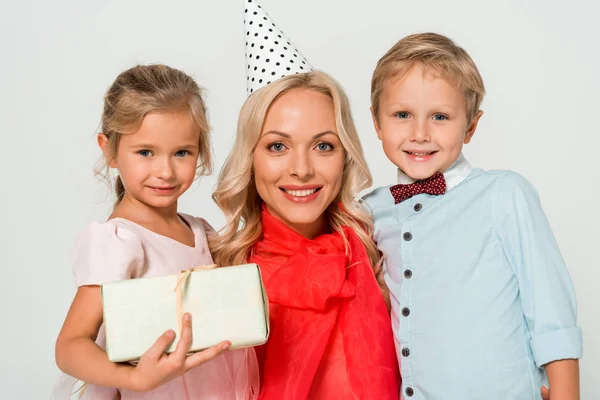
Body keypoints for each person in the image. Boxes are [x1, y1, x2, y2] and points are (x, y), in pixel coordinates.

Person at [364, 32, 582, 399]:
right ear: (377, 122)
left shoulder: (505, 195)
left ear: (471, 125)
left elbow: (552, 315)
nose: (419, 133)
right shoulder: (370, 211)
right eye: (402, 114)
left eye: (440, 117)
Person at [209, 2, 400, 398]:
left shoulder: (382, 247)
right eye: (278, 146)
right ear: (251, 157)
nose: (301, 169)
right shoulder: (218, 271)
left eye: (323, 146)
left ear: (346, 155)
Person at [53, 64, 258, 399]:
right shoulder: (119, 241)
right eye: (145, 152)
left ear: (200, 150)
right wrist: (135, 380)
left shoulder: (198, 231)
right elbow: (70, 346)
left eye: (182, 152)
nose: (165, 171)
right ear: (109, 150)